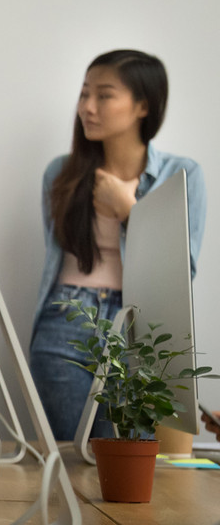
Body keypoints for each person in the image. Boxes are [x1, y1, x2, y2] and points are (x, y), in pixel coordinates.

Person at [30, 49, 206, 441]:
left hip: (140, 325)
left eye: (104, 95)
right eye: (84, 94)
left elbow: (183, 266)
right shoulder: (60, 173)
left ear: (143, 105)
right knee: (73, 460)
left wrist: (129, 210)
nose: (87, 107)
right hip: (66, 320)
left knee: (134, 463)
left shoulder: (182, 174)